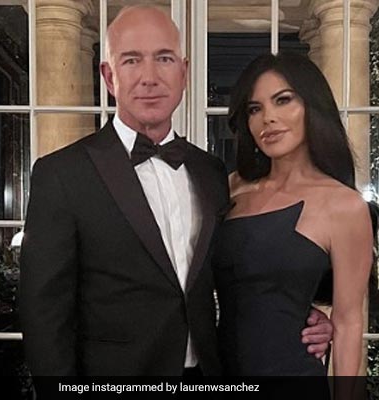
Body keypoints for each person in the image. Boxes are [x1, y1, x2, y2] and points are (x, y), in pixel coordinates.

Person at [19, 6, 332, 377]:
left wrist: (305, 317)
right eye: (131, 60)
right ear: (109, 76)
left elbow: (236, 276)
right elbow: (43, 316)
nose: (149, 78)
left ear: (183, 72)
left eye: (164, 58)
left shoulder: (210, 171)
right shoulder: (61, 174)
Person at [213, 52, 378, 379]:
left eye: (283, 100)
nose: (268, 118)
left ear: (313, 106)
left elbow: (348, 323)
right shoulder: (229, 189)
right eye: (255, 109)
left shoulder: (345, 206)